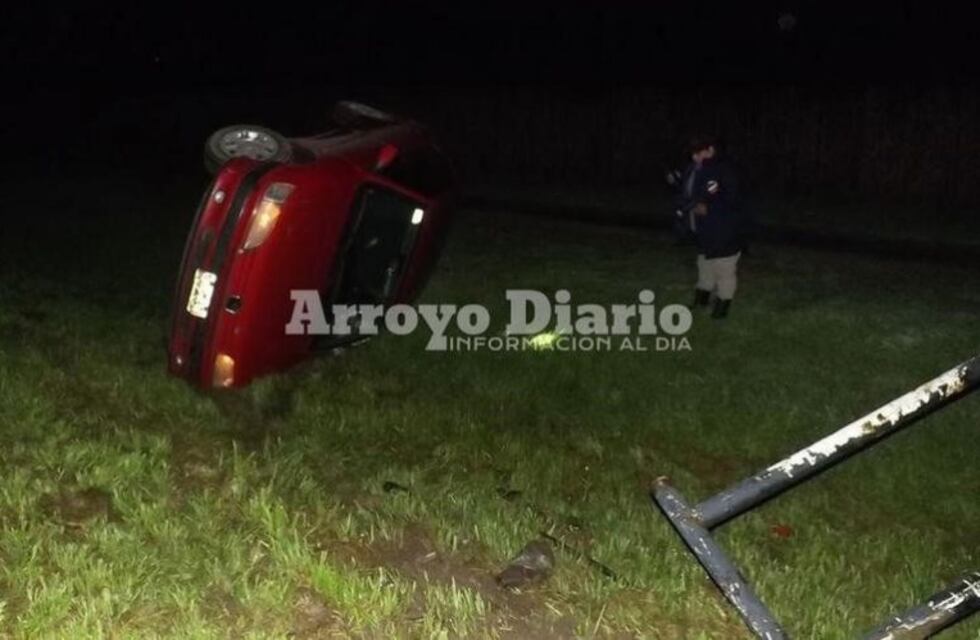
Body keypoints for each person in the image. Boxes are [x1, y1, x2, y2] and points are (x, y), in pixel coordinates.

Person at [684, 134, 744, 319]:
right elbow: (691, 193)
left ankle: (722, 306)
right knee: (704, 265)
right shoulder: (696, 169)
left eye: (699, 152)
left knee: (724, 268)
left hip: (724, 229)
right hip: (705, 229)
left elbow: (734, 199)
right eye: (693, 154)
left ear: (711, 150)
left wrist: (709, 208)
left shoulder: (726, 169)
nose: (695, 157)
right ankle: (701, 299)